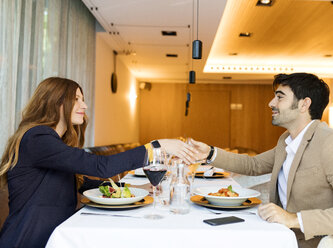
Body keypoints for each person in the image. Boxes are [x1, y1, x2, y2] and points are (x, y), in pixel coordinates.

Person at [0, 77, 197, 248]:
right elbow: (101, 167)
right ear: (54, 102)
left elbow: (82, 183)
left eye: (83, 99)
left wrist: (136, 188)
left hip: (55, 234)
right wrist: (157, 146)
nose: (84, 106)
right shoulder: (38, 138)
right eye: (76, 99)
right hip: (29, 240)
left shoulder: (49, 141)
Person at [191, 73, 333, 248]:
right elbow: (253, 165)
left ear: (304, 104)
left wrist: (293, 219)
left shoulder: (331, 143)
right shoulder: (287, 140)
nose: (271, 103)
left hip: (308, 243)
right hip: (278, 236)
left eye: (280, 97)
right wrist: (209, 153)